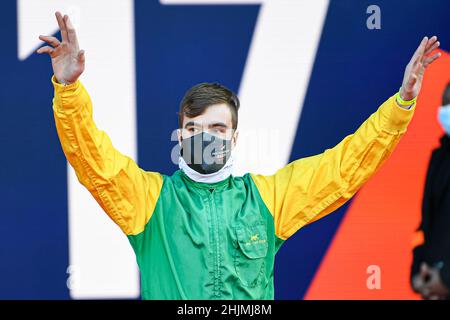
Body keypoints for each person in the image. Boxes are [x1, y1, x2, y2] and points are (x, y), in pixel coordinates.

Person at [38, 12, 441, 299]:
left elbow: (345, 166)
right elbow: (93, 160)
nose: (205, 137)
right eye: (194, 129)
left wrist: (402, 103)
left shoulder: (268, 199)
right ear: (179, 135)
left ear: (234, 137)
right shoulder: (149, 201)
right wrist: (67, 88)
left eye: (217, 129)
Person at [411, 84, 450, 300]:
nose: (446, 110)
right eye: (445, 103)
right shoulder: (439, 157)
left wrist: (445, 278)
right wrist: (419, 272)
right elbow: (424, 226)